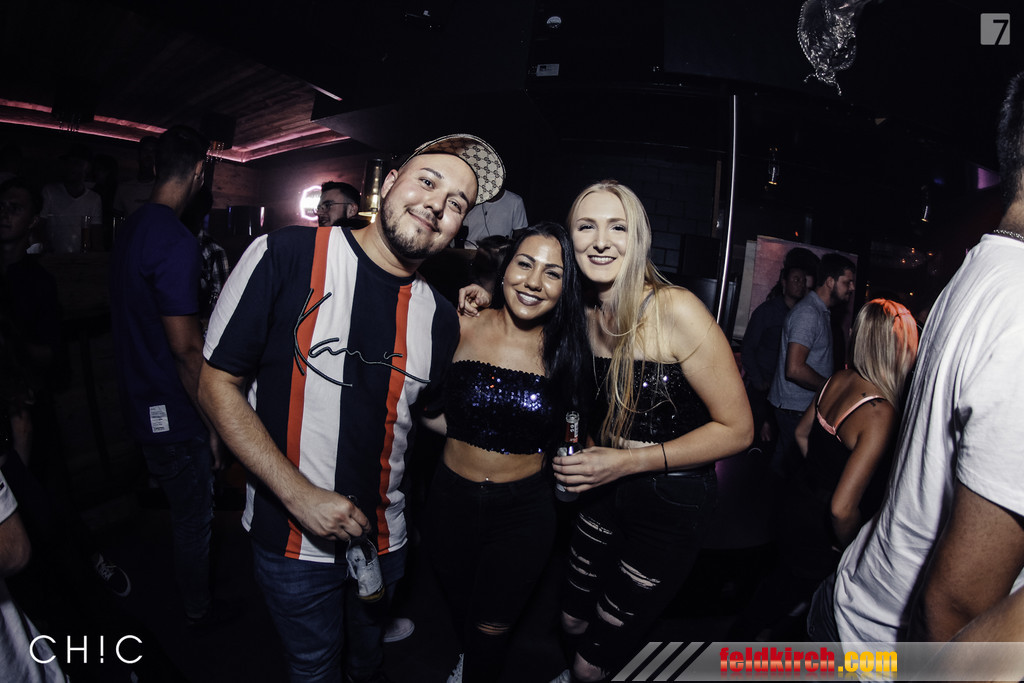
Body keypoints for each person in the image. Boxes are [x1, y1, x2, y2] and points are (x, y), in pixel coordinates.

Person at [198, 134, 504, 683]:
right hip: (292, 539)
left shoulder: (440, 316)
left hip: (387, 540)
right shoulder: (286, 255)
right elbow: (217, 383)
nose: (436, 204)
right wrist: (300, 496)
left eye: (457, 203)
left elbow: (427, 411)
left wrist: (509, 399)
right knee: (314, 668)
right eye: (427, 181)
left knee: (367, 659)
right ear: (390, 184)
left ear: (460, 226)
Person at [811, 72, 1024, 645]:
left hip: (851, 595)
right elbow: (953, 606)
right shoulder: (1019, 308)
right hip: (880, 653)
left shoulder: (979, 269)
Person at [551, 180, 752, 682]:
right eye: (586, 226)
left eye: (617, 227)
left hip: (671, 502)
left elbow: (739, 430)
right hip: (604, 490)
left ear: (638, 237)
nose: (601, 241)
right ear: (571, 239)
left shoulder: (674, 308)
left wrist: (627, 461)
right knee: (570, 619)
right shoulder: (584, 312)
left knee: (590, 664)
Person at [426, 222, 588, 683]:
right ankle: (471, 658)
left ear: (566, 287)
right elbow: (425, 407)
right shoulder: (461, 323)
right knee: (460, 606)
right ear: (505, 267)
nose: (534, 282)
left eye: (553, 273)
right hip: (448, 500)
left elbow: (575, 428)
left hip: (523, 512)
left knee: (493, 625)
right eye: (525, 264)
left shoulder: (570, 349)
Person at [731, 299, 918, 640]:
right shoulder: (879, 413)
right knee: (799, 607)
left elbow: (802, 434)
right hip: (822, 531)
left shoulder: (837, 379)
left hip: (795, 501)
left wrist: (820, 477)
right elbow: (841, 508)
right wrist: (853, 546)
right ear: (897, 348)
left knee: (778, 592)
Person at [109, 125, 223, 625]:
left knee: (178, 511)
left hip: (139, 401)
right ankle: (198, 615)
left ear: (157, 167)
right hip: (173, 410)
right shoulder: (175, 239)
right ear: (199, 171)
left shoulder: (131, 227)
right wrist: (215, 423)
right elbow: (186, 351)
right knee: (194, 519)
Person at [766, 253, 855, 477]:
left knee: (784, 468)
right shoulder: (808, 313)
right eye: (847, 282)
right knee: (795, 474)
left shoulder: (818, 311)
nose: (852, 288)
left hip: (798, 408)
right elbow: (795, 369)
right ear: (830, 281)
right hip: (794, 410)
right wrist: (830, 386)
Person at [741, 264, 808, 452]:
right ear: (784, 282)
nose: (800, 284)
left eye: (803, 281)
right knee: (754, 443)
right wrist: (758, 381)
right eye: (796, 279)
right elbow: (748, 348)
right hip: (763, 388)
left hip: (786, 393)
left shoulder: (803, 315)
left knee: (780, 446)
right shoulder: (767, 311)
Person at [41, 145, 103, 253]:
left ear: (87, 168)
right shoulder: (50, 192)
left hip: (81, 259)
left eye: (77, 163)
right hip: (52, 258)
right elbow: (39, 226)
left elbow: (96, 237)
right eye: (68, 163)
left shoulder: (94, 199)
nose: (71, 167)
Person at [462, 187, 529, 246]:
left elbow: (519, 233)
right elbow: (462, 229)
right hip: (469, 251)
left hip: (498, 253)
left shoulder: (515, 201)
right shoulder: (472, 199)